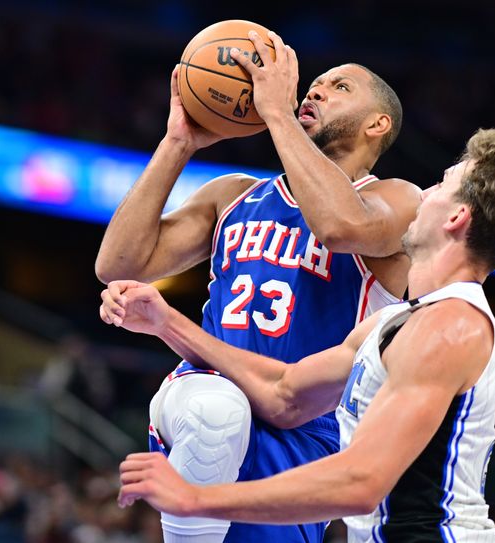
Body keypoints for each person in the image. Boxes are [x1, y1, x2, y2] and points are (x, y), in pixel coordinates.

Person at [101, 128, 495, 541]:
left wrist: (198, 500)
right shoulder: (394, 324)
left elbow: (360, 483)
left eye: (440, 184)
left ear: (457, 217)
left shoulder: (451, 326)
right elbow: (284, 393)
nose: (425, 192)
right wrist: (164, 322)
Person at [95, 29, 421, 542]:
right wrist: (177, 142)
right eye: (313, 84)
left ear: (377, 124)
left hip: (306, 432)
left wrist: (278, 116)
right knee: (216, 413)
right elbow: (118, 264)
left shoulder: (399, 202)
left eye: (338, 87)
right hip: (206, 386)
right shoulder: (234, 195)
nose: (314, 91)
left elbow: (339, 227)